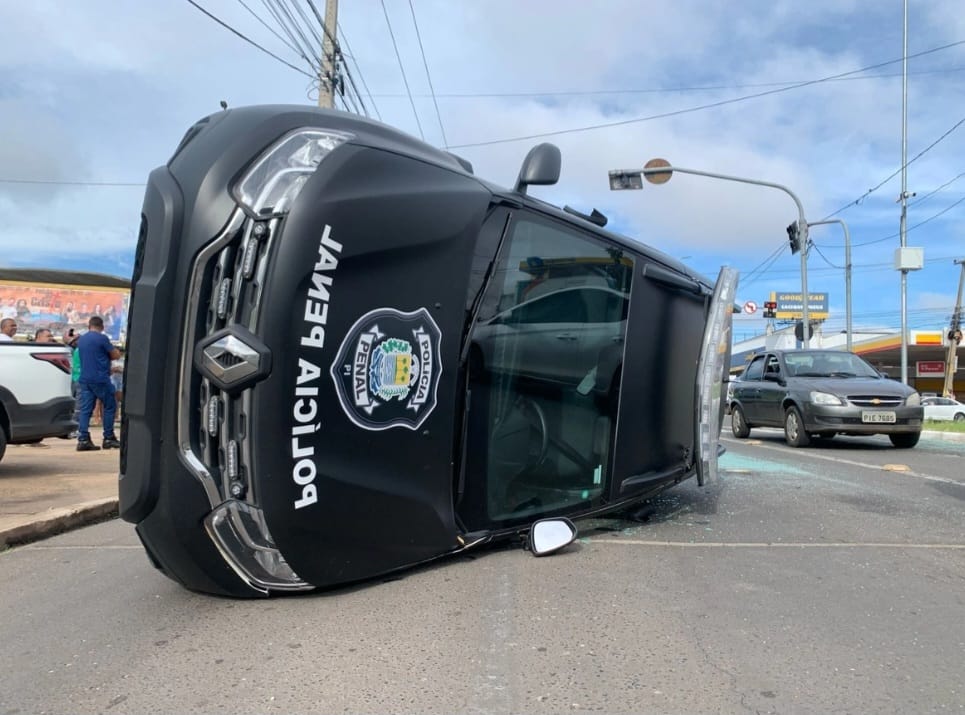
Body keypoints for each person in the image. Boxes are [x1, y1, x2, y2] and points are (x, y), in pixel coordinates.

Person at [75, 316, 121, 451]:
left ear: (89, 326)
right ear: (102, 326)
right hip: (100, 379)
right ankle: (108, 437)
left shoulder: (82, 340)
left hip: (85, 379)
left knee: (85, 409)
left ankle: (83, 439)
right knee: (110, 405)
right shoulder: (102, 338)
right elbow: (115, 355)